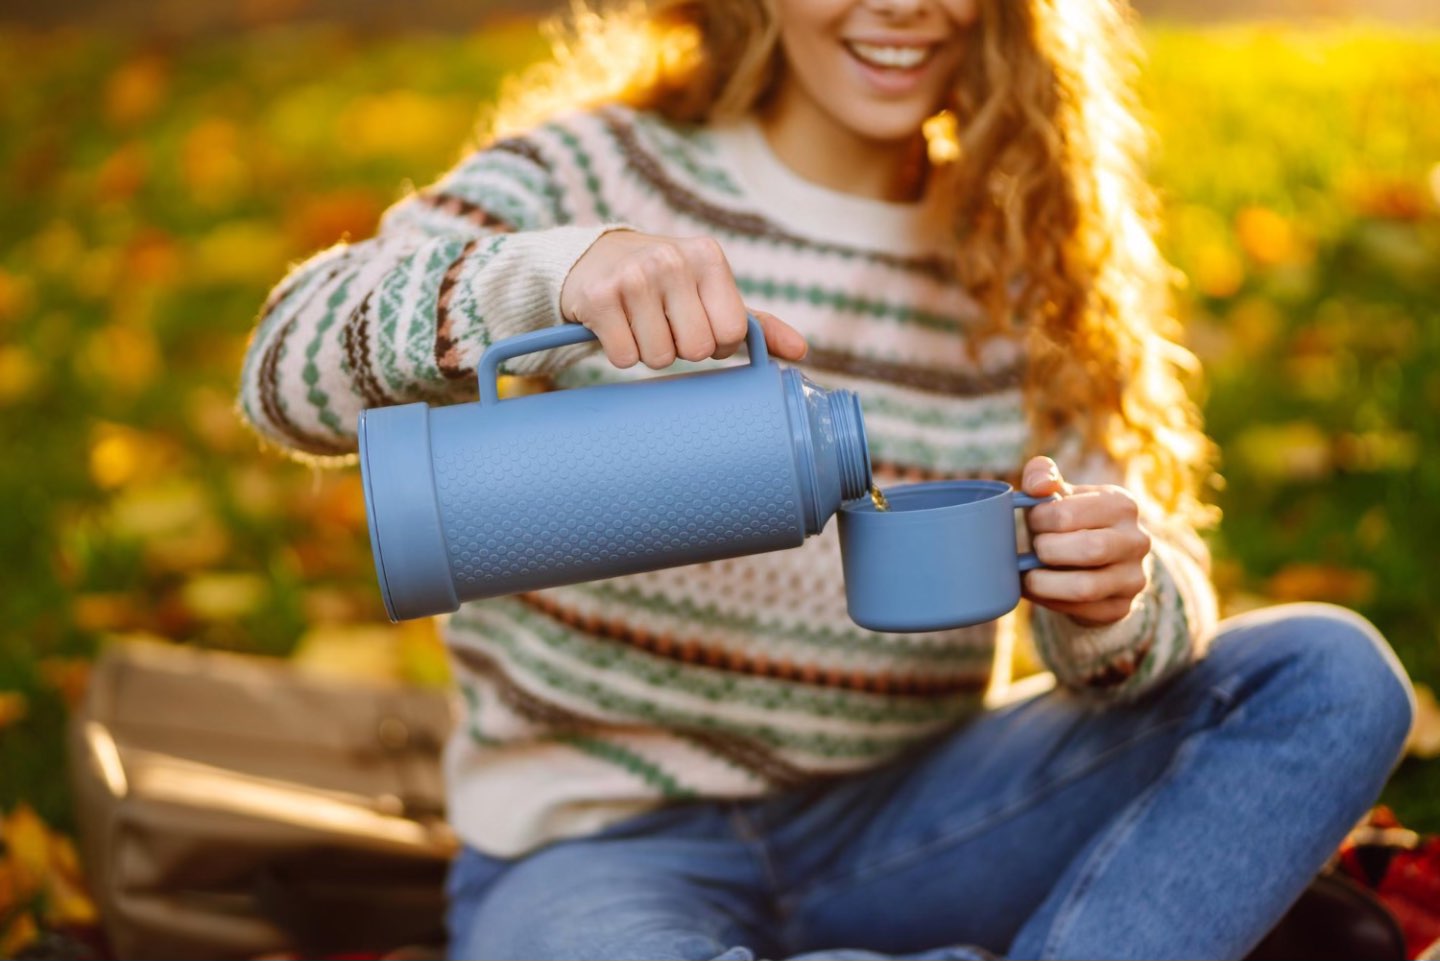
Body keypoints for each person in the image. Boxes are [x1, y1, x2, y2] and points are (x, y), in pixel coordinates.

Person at [237, 0, 1417, 957]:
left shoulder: (1026, 247)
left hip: (919, 823)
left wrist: (1118, 594)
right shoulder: (593, 176)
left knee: (1331, 676)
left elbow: (1144, 595)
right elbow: (283, 366)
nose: (903, 6)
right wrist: (544, 278)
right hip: (595, 856)